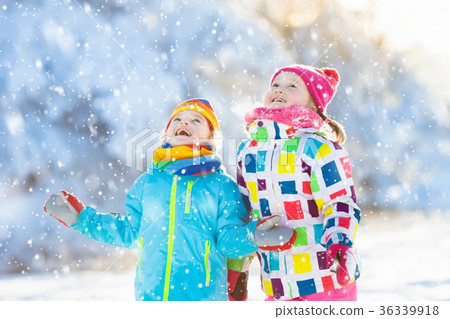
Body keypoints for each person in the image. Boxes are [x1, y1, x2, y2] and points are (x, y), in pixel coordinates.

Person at [44, 98, 296, 301]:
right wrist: (81, 219)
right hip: (151, 299)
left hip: (203, 299)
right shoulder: (147, 182)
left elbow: (228, 240)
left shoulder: (221, 185)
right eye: (178, 119)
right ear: (167, 134)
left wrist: (255, 236)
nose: (184, 122)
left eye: (196, 120)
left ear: (210, 139)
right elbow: (128, 231)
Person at [235, 65, 361, 301]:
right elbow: (245, 215)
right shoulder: (248, 152)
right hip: (277, 284)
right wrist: (239, 271)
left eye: (292, 86)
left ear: (313, 105)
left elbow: (339, 202)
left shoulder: (318, 148)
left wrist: (341, 242)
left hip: (325, 281)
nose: (280, 89)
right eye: (275, 84)